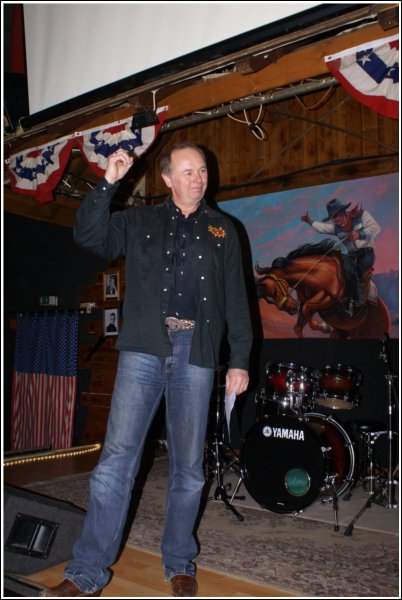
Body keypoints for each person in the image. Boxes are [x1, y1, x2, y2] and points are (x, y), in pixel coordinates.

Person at [40, 142, 253, 598]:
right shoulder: (140, 221)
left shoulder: (224, 229)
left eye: (202, 170)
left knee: (189, 469)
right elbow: (89, 236)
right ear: (167, 179)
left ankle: (179, 561)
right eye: (188, 171)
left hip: (196, 352)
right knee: (116, 464)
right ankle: (86, 574)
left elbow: (237, 297)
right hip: (144, 348)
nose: (198, 177)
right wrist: (109, 182)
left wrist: (239, 359)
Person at [301, 198, 381, 315]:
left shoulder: (362, 215)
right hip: (350, 254)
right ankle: (347, 300)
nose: (336, 219)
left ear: (343, 212)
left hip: (366, 252)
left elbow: (376, 228)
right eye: (333, 217)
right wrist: (309, 221)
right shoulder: (335, 228)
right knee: (345, 270)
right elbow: (322, 227)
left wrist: (360, 234)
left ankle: (359, 300)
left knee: (358, 268)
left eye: (337, 215)